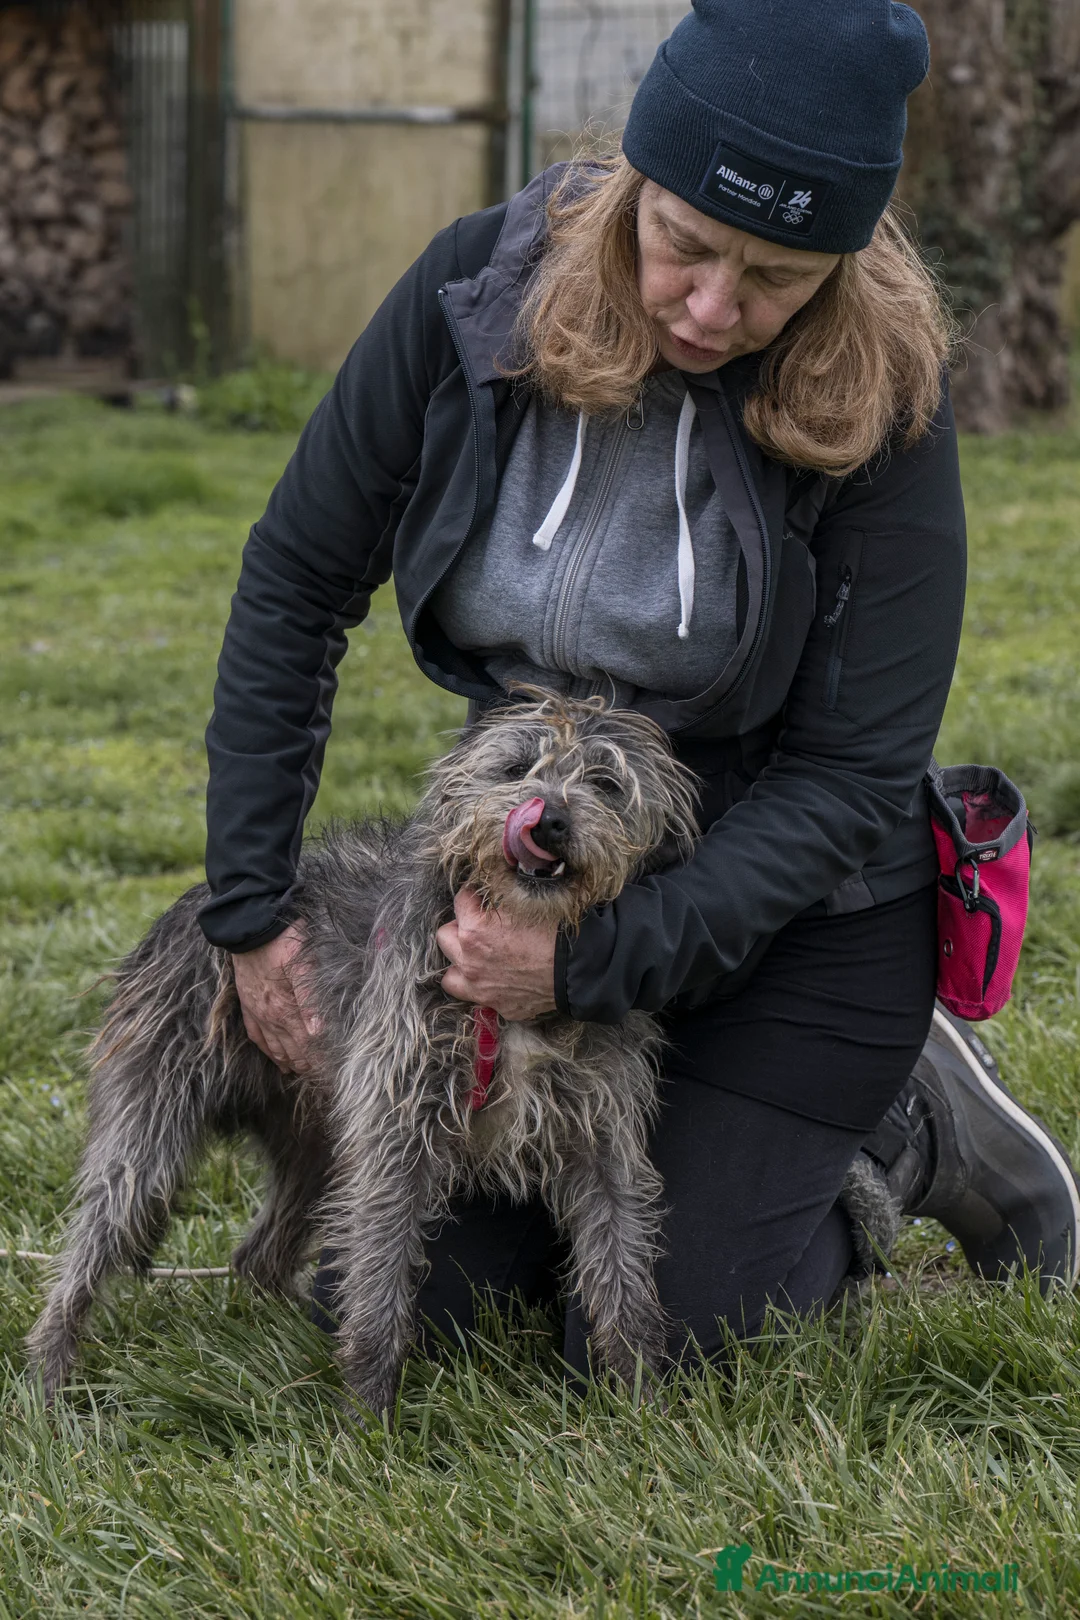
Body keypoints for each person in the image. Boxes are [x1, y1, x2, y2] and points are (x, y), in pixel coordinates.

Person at [200, 0, 1079, 1371]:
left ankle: (906, 1129)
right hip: (545, 862)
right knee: (419, 1316)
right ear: (630, 191)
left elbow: (851, 779)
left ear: (842, 267)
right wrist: (250, 908)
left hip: (795, 919)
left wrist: (589, 965)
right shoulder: (476, 289)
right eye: (685, 247)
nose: (716, 308)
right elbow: (297, 579)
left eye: (779, 276)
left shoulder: (884, 388)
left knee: (678, 1322)